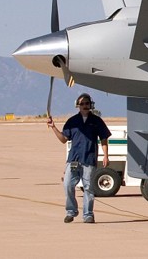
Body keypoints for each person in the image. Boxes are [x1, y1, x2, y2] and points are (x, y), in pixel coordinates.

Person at [47, 93, 111, 224]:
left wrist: (105, 155)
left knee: (88, 188)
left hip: (89, 159)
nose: (85, 106)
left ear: (91, 105)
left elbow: (104, 139)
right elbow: (63, 139)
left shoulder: (97, 121)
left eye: (87, 103)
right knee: (67, 185)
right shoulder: (72, 121)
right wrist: (53, 127)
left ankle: (88, 214)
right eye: (82, 104)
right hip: (74, 160)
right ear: (78, 106)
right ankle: (71, 211)